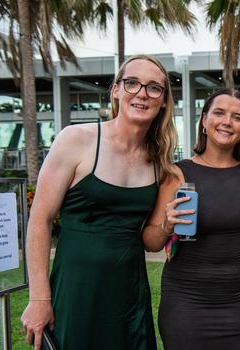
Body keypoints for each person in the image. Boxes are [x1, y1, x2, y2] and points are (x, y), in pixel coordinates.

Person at [21, 54, 178, 350]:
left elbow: (151, 241)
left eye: (154, 87)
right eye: (132, 83)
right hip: (76, 290)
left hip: (129, 295)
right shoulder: (76, 140)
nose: (142, 93)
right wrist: (39, 298)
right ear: (116, 91)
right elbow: (40, 219)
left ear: (164, 101)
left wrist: (167, 225)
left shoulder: (159, 161)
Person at [142, 88, 240, 349]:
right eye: (219, 113)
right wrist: (167, 224)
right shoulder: (178, 173)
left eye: (237, 117)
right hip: (187, 304)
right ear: (204, 120)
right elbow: (151, 242)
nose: (227, 122)